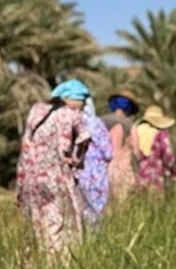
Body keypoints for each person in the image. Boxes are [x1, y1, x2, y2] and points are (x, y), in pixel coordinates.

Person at [16, 79, 91, 256]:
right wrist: (77, 160)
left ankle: (35, 267)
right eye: (81, 100)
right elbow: (84, 138)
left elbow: (25, 148)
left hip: (32, 180)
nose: (83, 105)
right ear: (70, 98)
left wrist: (20, 185)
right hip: (57, 178)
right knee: (59, 223)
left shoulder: (36, 111)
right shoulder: (71, 114)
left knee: (35, 223)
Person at [76, 97, 114, 227]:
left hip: (78, 173)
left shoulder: (74, 122)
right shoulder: (97, 125)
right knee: (96, 212)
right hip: (96, 175)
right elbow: (108, 153)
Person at [102, 91, 140, 205]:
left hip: (102, 167)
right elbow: (136, 149)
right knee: (121, 203)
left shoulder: (101, 121)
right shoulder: (130, 125)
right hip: (122, 168)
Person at [133, 104, 176, 193]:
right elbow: (168, 156)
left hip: (137, 174)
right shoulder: (160, 134)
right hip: (156, 175)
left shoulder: (135, 131)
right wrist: (173, 172)